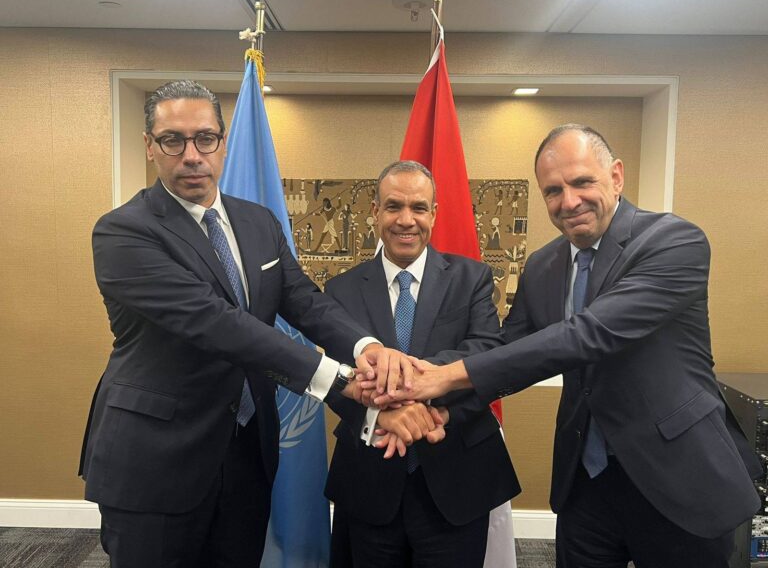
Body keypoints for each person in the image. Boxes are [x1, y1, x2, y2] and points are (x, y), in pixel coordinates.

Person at [78, 80, 427, 568]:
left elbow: (303, 300)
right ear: (150, 146)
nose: (192, 155)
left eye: (205, 138)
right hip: (154, 459)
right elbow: (216, 323)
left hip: (246, 450)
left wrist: (367, 347)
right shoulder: (123, 231)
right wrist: (342, 382)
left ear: (222, 142)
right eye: (173, 140)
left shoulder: (259, 222)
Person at [380, 125, 762, 567]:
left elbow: (589, 334)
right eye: (553, 191)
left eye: (582, 182)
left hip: (679, 476)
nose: (569, 201)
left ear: (616, 176)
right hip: (586, 481)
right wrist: (441, 404)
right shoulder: (543, 266)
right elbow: (509, 348)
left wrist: (445, 376)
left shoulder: (673, 241)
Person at [323, 161, 520, 568]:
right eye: (394, 206)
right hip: (370, 479)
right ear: (375, 211)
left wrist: (417, 391)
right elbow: (337, 378)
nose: (406, 220)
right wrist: (380, 414)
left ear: (435, 213)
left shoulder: (472, 278)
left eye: (418, 207)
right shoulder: (341, 290)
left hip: (457, 476)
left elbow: (487, 351)